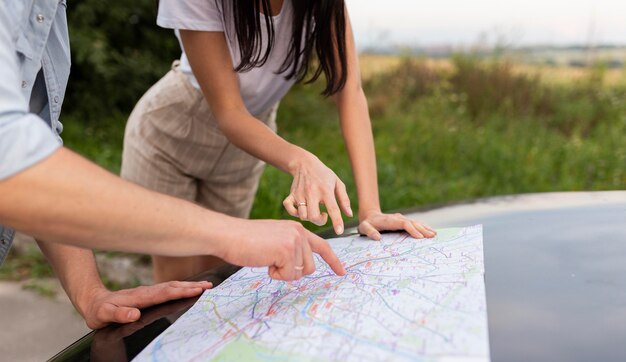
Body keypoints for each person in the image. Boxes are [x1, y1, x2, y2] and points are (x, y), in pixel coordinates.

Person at [0, 2, 345, 330]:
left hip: (237, 155)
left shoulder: (49, 9)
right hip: (170, 137)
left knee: (208, 296)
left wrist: (89, 292)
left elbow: (37, 139)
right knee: (185, 302)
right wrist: (232, 233)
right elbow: (12, 159)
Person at [122, 0, 436, 283]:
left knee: (215, 275)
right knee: (178, 279)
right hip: (172, 136)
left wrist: (371, 210)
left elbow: (349, 90)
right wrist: (302, 161)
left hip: (249, 143)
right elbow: (229, 113)